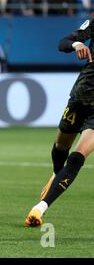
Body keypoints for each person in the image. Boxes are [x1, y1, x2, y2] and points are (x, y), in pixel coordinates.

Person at [25, 18, 94, 227]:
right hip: (79, 98)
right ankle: (56, 174)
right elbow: (63, 42)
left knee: (77, 157)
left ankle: (40, 208)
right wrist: (77, 44)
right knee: (60, 146)